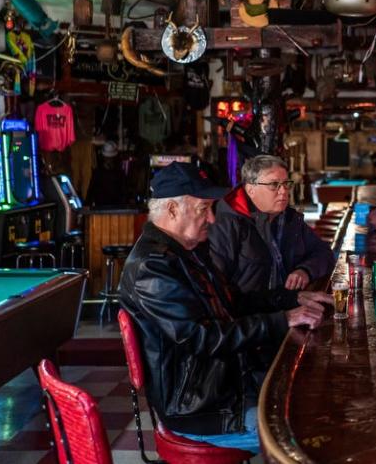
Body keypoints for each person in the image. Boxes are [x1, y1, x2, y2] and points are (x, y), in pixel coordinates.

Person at [118, 162, 332, 451]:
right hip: (202, 408)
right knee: (311, 435)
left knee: (316, 399)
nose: (212, 219)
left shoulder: (190, 250)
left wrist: (292, 299)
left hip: (224, 384)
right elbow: (203, 338)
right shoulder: (152, 267)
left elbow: (235, 301)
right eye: (203, 208)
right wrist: (283, 320)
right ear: (171, 210)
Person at [211, 155, 334, 293]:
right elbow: (217, 288)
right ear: (251, 189)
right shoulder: (226, 223)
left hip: (287, 303)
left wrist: (305, 270)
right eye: (274, 185)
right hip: (253, 312)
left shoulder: (288, 218)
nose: (283, 191)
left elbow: (324, 252)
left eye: (286, 184)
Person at [86, 141, 128, 206]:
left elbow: (124, 193)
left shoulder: (120, 174)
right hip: (101, 209)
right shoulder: (97, 173)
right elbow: (91, 193)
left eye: (110, 158)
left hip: (117, 209)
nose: (109, 160)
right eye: (107, 158)